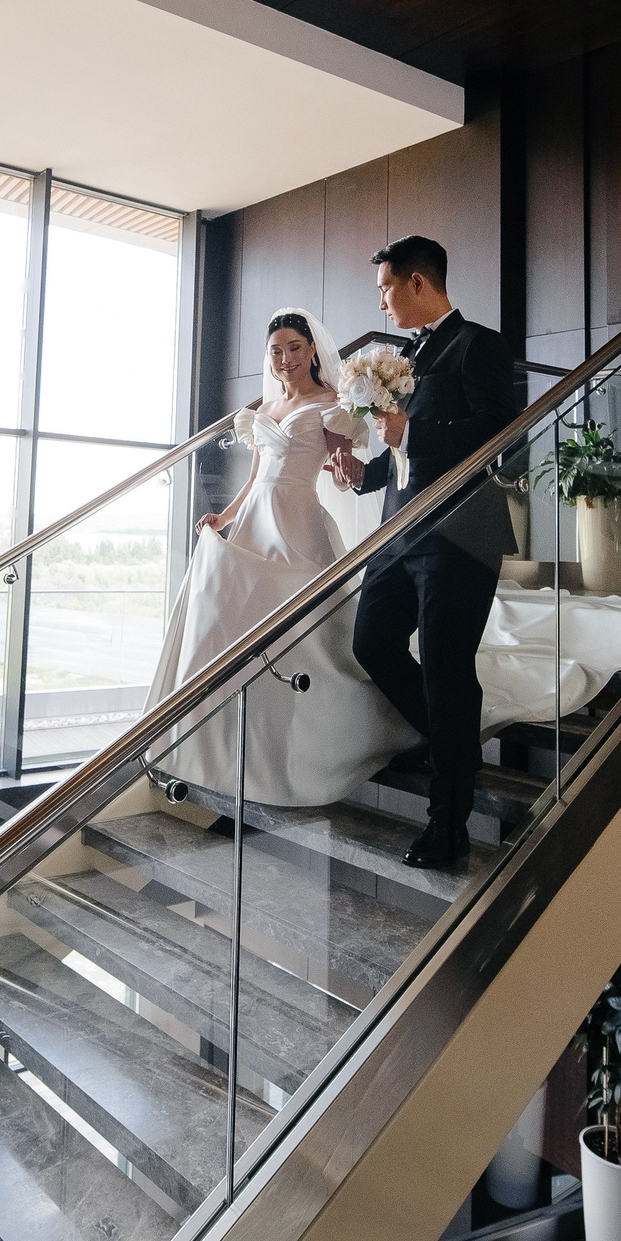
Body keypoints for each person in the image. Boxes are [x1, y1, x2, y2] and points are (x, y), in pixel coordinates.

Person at [147, 311, 420, 807]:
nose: (286, 358)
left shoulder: (333, 404)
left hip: (296, 519)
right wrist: (223, 518)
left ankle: (300, 748)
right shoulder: (266, 408)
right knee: (227, 626)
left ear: (313, 349)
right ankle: (228, 750)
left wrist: (346, 473)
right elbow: (254, 478)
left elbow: (343, 475)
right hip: (255, 517)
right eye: (277, 351)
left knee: (296, 632)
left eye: (295, 348)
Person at [325, 235, 519, 869]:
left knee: (445, 667)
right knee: (371, 642)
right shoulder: (402, 357)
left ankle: (448, 824)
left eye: (385, 288)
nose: (380, 302)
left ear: (416, 284)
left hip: (461, 533)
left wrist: (419, 428)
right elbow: (403, 453)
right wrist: (366, 472)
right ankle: (446, 740)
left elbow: (501, 435)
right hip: (399, 530)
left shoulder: (479, 346)